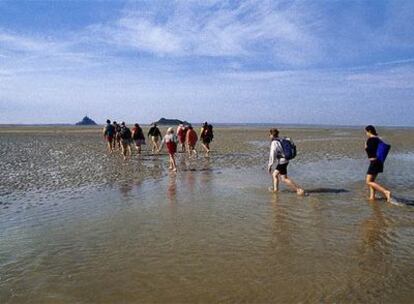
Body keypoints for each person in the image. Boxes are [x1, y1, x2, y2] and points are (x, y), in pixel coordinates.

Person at [268, 128, 304, 195]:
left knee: (284, 178)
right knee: (275, 175)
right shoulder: (282, 139)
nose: (269, 136)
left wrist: (270, 165)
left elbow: (272, 154)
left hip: (282, 161)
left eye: (269, 135)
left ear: (272, 135)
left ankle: (298, 190)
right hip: (285, 160)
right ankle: (276, 190)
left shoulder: (274, 142)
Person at [365, 125, 391, 202]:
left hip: (374, 162)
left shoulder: (370, 140)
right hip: (379, 162)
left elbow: (368, 150)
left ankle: (385, 191)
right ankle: (372, 197)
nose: (366, 133)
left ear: (369, 131)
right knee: (372, 181)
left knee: (368, 182)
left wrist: (366, 145)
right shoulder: (378, 139)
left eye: (366, 132)